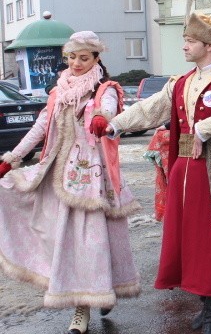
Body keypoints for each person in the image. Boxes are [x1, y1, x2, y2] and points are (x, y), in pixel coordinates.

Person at [108, 14, 211, 333]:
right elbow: (150, 109)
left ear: (209, 46)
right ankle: (207, 301)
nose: (184, 46)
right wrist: (115, 124)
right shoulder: (180, 82)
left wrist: (203, 129)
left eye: (190, 41)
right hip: (185, 172)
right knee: (194, 242)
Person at [0, 31, 140, 334]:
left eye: (83, 57)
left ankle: (92, 298)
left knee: (94, 242)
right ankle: (85, 302)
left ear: (96, 58)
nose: (76, 63)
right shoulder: (59, 91)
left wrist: (104, 118)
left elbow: (111, 109)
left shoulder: (104, 89)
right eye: (71, 57)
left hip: (92, 178)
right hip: (58, 174)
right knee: (67, 241)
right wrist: (12, 158)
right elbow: (40, 128)